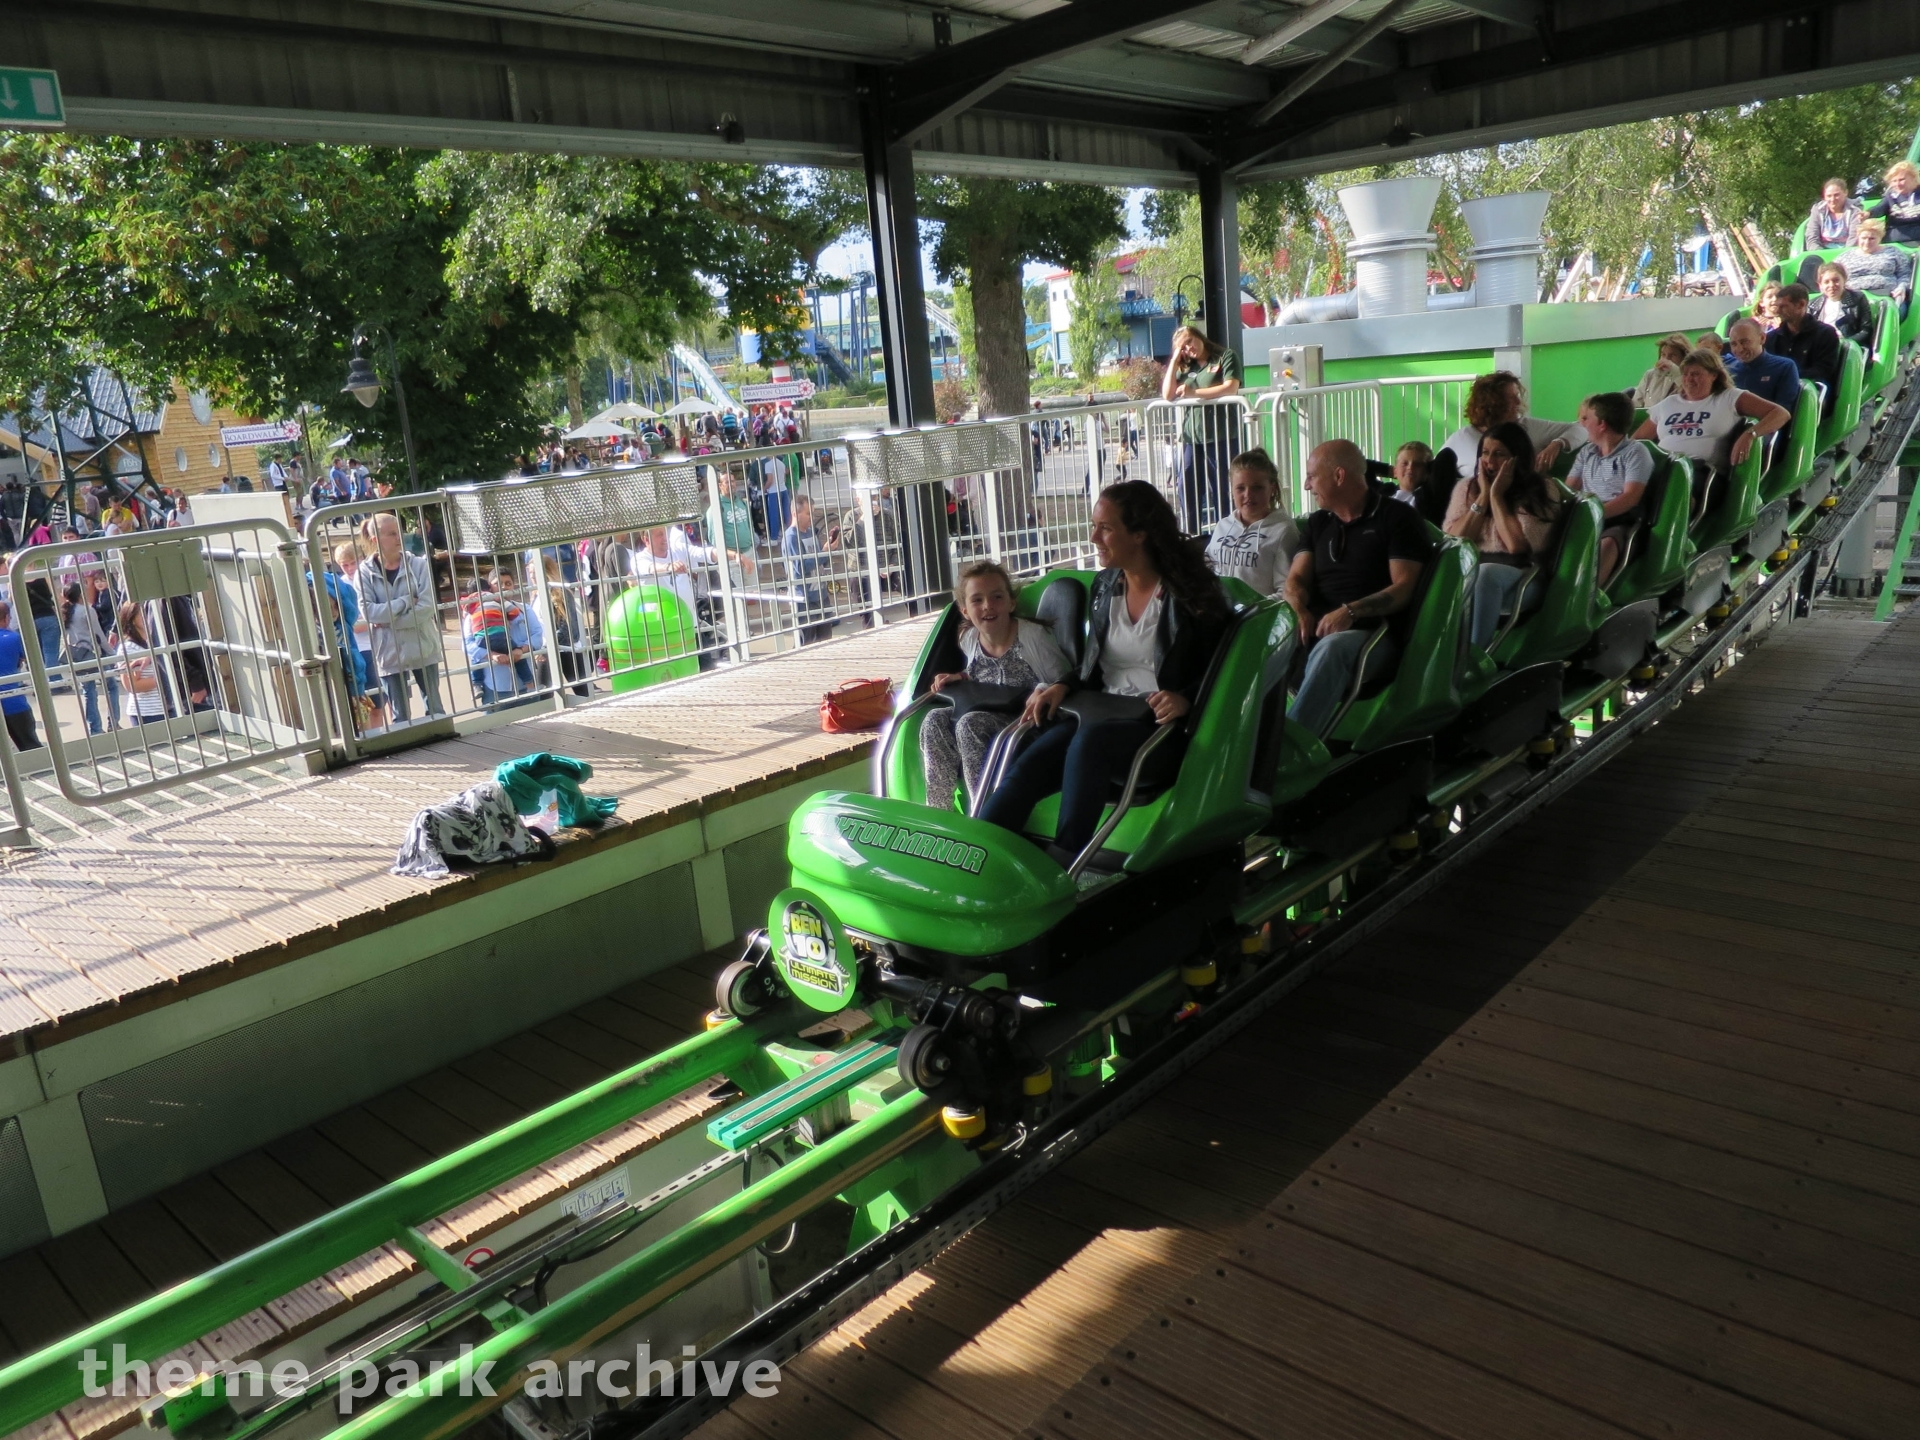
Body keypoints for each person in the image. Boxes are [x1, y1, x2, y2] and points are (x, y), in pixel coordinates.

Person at [978, 482, 1227, 865]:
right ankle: (980, 854)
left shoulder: (1191, 594)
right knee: (1032, 758)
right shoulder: (1106, 586)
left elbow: (1223, 666)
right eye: (1095, 526)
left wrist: (1186, 699)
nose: (1094, 537)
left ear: (1140, 534)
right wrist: (1062, 686)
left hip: (1159, 731)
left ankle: (1063, 864)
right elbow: (1094, 666)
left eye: (1105, 528)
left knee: (1090, 743)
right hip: (1102, 714)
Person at [1283, 440, 1432, 738]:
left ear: (1339, 476)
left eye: (1312, 476)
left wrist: (1351, 612)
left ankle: (1293, 747)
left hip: (1375, 634)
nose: (1307, 485)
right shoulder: (1318, 523)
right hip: (1319, 628)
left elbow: (1404, 587)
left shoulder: (1396, 517)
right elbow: (1296, 579)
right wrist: (1298, 608)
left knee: (1331, 649)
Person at [920, 560, 1072, 813]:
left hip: (1027, 721)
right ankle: (938, 810)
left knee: (970, 724)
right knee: (933, 719)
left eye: (996, 597)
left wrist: (1044, 689)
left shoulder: (1032, 637)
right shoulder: (969, 638)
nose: (988, 606)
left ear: (1011, 603)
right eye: (977, 600)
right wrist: (962, 676)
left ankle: (983, 813)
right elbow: (983, 673)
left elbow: (1065, 679)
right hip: (988, 712)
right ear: (965, 611)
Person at [1444, 424, 1566, 653]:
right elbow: (1455, 540)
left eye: (1499, 454)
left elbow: (1516, 546)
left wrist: (1496, 497)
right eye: (1485, 453)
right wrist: (1483, 497)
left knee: (1486, 575)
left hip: (1524, 577)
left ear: (1517, 458)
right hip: (1472, 571)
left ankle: (1475, 656)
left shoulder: (1541, 488)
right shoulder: (1467, 488)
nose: (1490, 462)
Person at [1634, 348, 1790, 507]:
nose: (1688, 379)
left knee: (1672, 493)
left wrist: (1751, 434)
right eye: (1685, 374)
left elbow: (1780, 414)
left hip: (1702, 472)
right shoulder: (1668, 403)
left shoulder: (1729, 397)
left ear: (1713, 375)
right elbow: (1637, 441)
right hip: (1663, 467)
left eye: (1695, 374)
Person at [357, 511, 445, 722]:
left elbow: (426, 607)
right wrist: (405, 601)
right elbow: (368, 612)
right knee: (400, 716)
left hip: (423, 646)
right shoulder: (364, 572)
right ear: (375, 539)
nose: (399, 538)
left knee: (435, 708)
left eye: (399, 532)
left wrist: (388, 622)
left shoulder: (419, 565)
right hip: (388, 651)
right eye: (391, 534)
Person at [1160, 324, 1243, 530]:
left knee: (1223, 489)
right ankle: (1192, 534)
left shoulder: (1225, 356)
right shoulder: (1186, 366)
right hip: (1192, 437)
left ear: (1199, 336)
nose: (1189, 348)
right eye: (1183, 347)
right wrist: (1174, 360)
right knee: (1186, 486)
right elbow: (1167, 395)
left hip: (1221, 435)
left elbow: (1231, 388)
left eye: (1190, 341)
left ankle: (1226, 533)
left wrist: (1193, 394)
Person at [1567, 393, 1652, 587]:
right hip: (1586, 515)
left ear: (1602, 425)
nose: (1581, 424)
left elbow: (1630, 498)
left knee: (1608, 545)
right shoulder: (1586, 452)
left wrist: (1593, 515)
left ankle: (1587, 595)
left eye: (1587, 418)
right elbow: (1569, 488)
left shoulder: (1636, 452)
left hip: (1619, 519)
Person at [1439, 371, 1582, 479]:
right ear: (1493, 403)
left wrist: (1557, 443)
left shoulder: (1528, 426)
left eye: (1517, 396)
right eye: (1511, 398)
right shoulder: (1461, 438)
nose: (1518, 402)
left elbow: (1581, 428)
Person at [1204, 449, 1298, 598]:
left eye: (1257, 488)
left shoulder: (1284, 531)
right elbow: (1205, 570)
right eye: (1240, 488)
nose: (1248, 495)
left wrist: (1253, 609)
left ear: (1272, 488)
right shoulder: (1223, 526)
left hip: (1257, 612)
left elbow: (1286, 592)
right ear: (1232, 490)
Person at [1763, 284, 1842, 414]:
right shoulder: (1772, 337)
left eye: (1783, 306)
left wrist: (1788, 377)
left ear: (1801, 304)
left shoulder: (1825, 334)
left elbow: (1824, 370)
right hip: (1777, 393)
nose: (1778, 311)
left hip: (1810, 394)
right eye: (1778, 306)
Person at [781, 494, 840, 645]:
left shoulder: (810, 532)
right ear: (795, 513)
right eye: (808, 513)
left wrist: (828, 549)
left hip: (820, 594)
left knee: (825, 640)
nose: (811, 518)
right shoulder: (791, 537)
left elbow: (820, 561)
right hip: (804, 598)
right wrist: (823, 553)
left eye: (812, 513)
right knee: (807, 642)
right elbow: (800, 567)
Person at [61, 578, 114, 735]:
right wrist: (112, 653)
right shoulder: (87, 611)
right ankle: (112, 722)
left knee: (88, 692)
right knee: (110, 686)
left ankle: (95, 728)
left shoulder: (65, 612)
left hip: (76, 655)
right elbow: (98, 634)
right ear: (80, 594)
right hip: (91, 653)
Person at [1726, 317, 1802, 422]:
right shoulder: (1728, 368)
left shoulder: (1784, 367)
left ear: (1762, 338)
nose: (1739, 349)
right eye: (1734, 344)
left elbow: (1783, 414)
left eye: (1744, 342)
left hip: (1764, 427)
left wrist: (1752, 430)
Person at [1832, 220, 1914, 314]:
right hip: (1854, 298)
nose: (1867, 242)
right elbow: (1832, 275)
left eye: (1872, 238)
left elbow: (1905, 273)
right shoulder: (1844, 257)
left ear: (1880, 238)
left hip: (1888, 296)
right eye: (1863, 238)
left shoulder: (1893, 252)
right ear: (1858, 237)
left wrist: (1901, 287)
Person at [116, 600, 169, 728]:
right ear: (132, 619)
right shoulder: (128, 647)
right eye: (143, 613)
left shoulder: (160, 640)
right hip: (147, 712)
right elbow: (132, 686)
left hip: (170, 707)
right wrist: (169, 679)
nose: (148, 616)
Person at [0, 599, 40, 751]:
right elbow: (29, 659)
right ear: (7, 618)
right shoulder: (14, 638)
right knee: (31, 748)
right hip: (14, 703)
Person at [1812, 262, 1874, 341]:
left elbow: (1865, 331)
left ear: (1844, 280)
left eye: (1836, 280)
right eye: (1826, 282)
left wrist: (1847, 342)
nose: (1831, 285)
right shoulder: (1813, 305)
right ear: (1820, 285)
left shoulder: (1858, 299)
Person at [1866, 159, 1920, 246]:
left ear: (1913, 178)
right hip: (1895, 237)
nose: (1897, 184)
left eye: (1901, 179)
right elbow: (1880, 208)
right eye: (1894, 181)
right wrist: (1868, 213)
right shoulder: (1890, 196)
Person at [1633, 335, 1692, 410]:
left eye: (1672, 355)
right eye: (1663, 354)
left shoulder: (1691, 377)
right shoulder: (1650, 375)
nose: (1666, 359)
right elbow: (1636, 403)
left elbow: (1691, 397)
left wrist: (1676, 372)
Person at [1808, 177, 1864, 248]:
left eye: (1836, 195)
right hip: (1821, 251)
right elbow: (1812, 237)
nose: (1832, 199)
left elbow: (1854, 238)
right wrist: (1819, 253)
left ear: (1846, 193)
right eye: (1829, 196)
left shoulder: (1855, 210)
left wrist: (1845, 254)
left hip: (1848, 251)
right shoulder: (1818, 210)